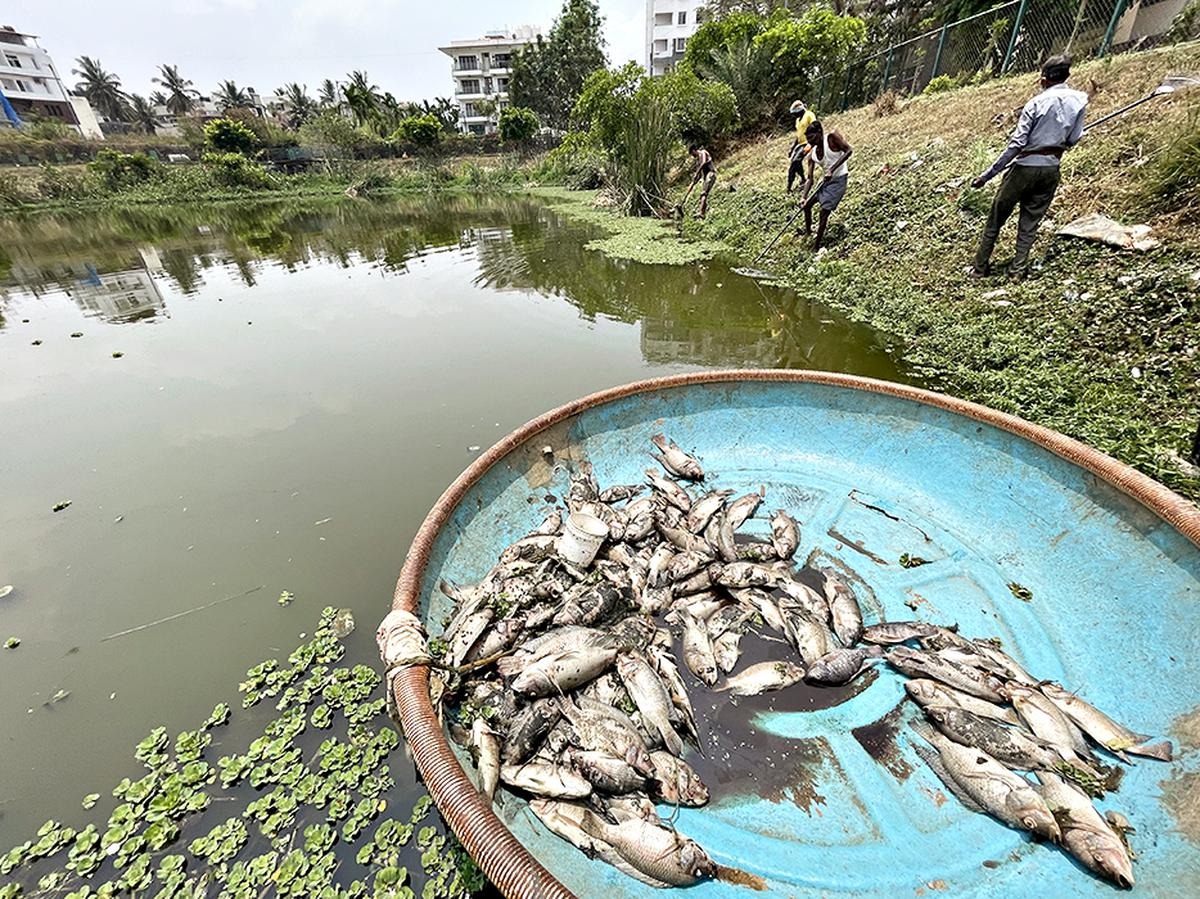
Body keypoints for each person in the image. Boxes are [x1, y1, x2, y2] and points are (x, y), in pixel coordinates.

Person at [971, 55, 1088, 276]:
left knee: (996, 217)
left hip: (1024, 167)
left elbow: (1017, 144)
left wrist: (987, 176)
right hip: (1051, 169)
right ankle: (1018, 269)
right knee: (1030, 222)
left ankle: (980, 267)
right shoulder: (1080, 100)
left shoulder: (1036, 103)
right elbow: (1073, 140)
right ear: (1067, 76)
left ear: (1044, 80)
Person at [799, 120, 852, 250]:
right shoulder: (812, 155)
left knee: (824, 212)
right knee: (807, 206)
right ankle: (808, 233)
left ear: (819, 133)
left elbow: (849, 151)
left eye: (812, 138)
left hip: (839, 180)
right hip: (825, 182)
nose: (810, 142)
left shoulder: (832, 138)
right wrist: (803, 197)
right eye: (808, 139)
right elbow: (810, 179)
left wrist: (832, 169)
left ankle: (816, 246)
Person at [786, 100, 817, 194]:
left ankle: (803, 180)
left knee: (796, 160)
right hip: (800, 144)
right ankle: (791, 185)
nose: (794, 115)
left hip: (809, 142)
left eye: (795, 113)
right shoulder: (797, 120)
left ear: (800, 110)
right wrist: (792, 148)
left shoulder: (809, 115)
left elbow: (815, 127)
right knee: (793, 163)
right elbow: (798, 135)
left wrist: (813, 141)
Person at [687, 144, 718, 219]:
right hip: (706, 177)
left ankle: (701, 213)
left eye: (692, 153)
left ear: (694, 150)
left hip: (711, 174)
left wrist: (696, 173)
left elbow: (704, 163)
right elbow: (700, 175)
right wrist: (694, 182)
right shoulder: (698, 161)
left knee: (703, 194)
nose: (692, 156)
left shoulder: (703, 152)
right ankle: (702, 213)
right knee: (703, 195)